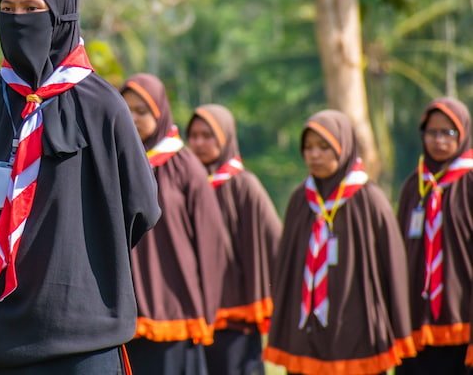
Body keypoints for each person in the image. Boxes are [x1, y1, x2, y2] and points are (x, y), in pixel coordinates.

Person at [0, 0, 161, 374]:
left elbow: (141, 207)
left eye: (31, 9)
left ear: (63, 17)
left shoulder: (102, 106)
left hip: (78, 334)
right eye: (7, 10)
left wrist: (78, 255)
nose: (18, 20)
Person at [264, 110, 415, 375]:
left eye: (324, 147)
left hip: (358, 329)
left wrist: (397, 325)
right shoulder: (301, 199)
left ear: (344, 148)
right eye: (308, 148)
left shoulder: (369, 199)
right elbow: (286, 265)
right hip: (306, 331)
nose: (314, 155)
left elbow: (392, 266)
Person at [121, 75, 229, 375]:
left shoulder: (183, 165)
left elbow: (211, 241)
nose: (132, 118)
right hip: (124, 309)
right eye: (126, 109)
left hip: (175, 306)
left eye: (142, 111)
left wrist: (205, 306)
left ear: (160, 113)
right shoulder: (116, 160)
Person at [186, 104, 281, 375]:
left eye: (208, 136)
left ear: (226, 138)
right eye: (194, 136)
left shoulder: (243, 184)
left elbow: (274, 241)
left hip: (236, 314)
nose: (199, 143)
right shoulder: (186, 184)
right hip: (194, 315)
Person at [395, 97, 473, 375]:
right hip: (417, 321)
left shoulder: (469, 182)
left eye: (447, 133)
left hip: (461, 321)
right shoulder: (413, 187)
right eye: (431, 132)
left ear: (463, 134)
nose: (438, 140)